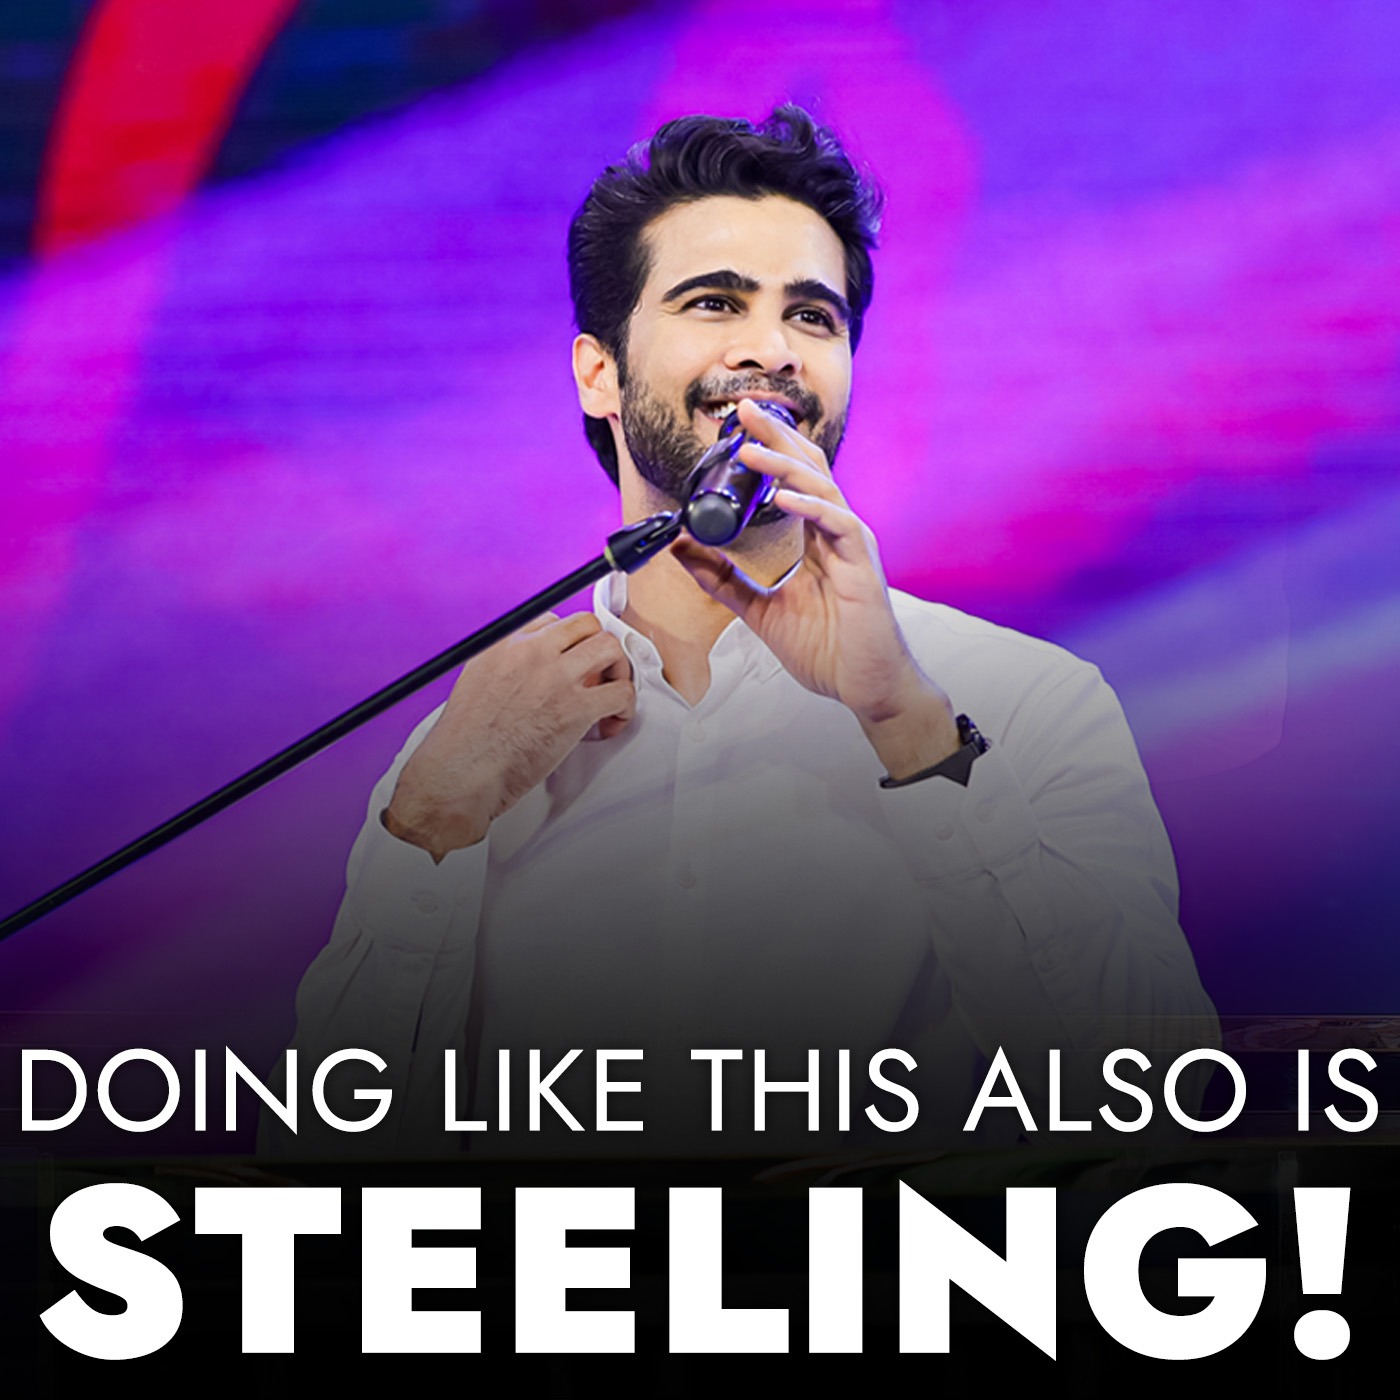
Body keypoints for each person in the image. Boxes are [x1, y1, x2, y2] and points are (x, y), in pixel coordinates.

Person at [266, 106, 1217, 1159]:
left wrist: (907, 728)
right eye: (714, 302)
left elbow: (1152, 1090)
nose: (770, 350)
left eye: (812, 316)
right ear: (598, 373)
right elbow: (321, 1163)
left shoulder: (1026, 701)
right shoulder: (476, 744)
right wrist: (431, 818)